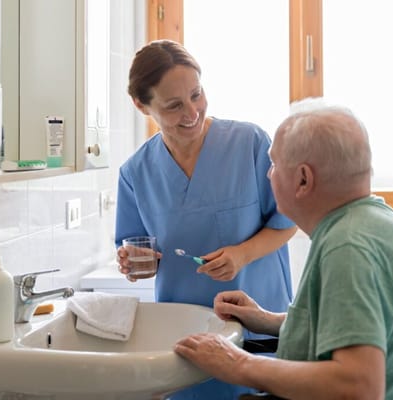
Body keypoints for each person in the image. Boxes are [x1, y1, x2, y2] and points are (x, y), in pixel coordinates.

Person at [174, 101, 393, 399]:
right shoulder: (371, 220)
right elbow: (349, 324)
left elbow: (359, 387)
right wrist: (266, 319)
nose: (268, 175)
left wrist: (237, 363)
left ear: (303, 179)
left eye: (274, 164)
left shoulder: (349, 246)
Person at [115, 40, 298, 399]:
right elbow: (139, 254)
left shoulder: (250, 144)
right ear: (141, 105)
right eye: (174, 105)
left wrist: (242, 254)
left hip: (257, 332)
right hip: (186, 339)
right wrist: (136, 265)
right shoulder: (135, 173)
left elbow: (287, 220)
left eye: (196, 95)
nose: (192, 112)